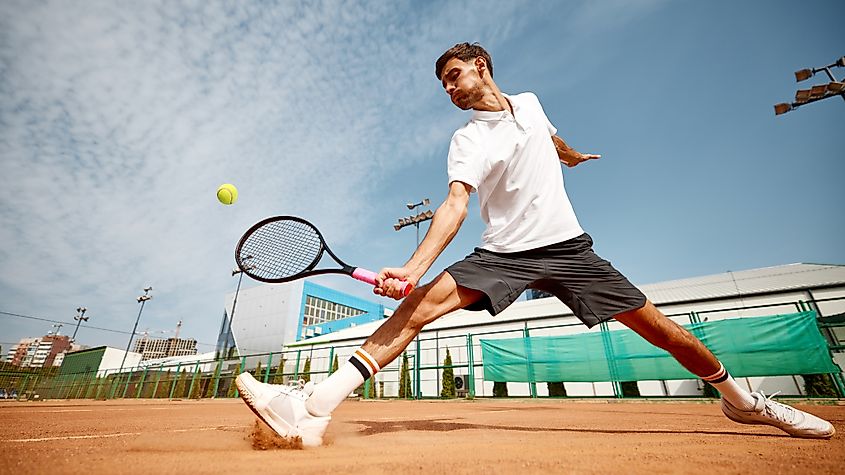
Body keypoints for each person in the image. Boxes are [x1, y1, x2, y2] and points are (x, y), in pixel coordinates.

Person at [236, 42, 835, 446]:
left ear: (481, 65)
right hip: (504, 254)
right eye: (443, 84)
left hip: (570, 249)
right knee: (415, 307)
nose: (449, 88)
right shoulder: (466, 141)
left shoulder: (528, 102)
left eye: (454, 75)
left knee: (661, 329)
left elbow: (547, 135)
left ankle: (742, 400)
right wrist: (415, 265)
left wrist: (570, 154)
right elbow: (456, 205)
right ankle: (313, 410)